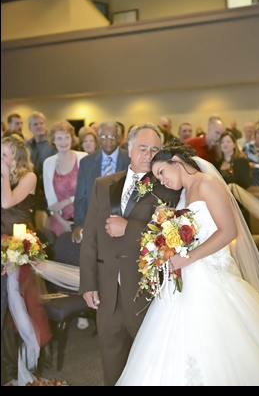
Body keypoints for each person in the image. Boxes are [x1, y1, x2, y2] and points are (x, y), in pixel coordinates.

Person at [116, 141, 259, 386]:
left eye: (162, 172)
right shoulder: (184, 193)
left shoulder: (207, 183)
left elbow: (228, 231)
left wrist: (188, 257)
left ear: (176, 161)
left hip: (211, 272)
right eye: (158, 178)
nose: (162, 181)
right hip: (187, 273)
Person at [79, 123, 182, 386]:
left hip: (145, 294)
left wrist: (130, 228)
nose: (148, 154)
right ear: (129, 148)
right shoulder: (103, 184)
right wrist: (88, 284)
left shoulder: (168, 187)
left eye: (154, 149)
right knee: (111, 366)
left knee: (149, 367)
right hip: (107, 292)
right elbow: (90, 237)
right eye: (142, 148)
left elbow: (171, 237)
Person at [1, 134, 53, 385]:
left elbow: (7, 202)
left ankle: (20, 367)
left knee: (18, 308)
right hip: (3, 244)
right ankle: (7, 368)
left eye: (4, 154)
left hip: (17, 249)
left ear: (16, 157)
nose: (0, 159)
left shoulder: (28, 177)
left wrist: (3, 174)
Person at [72, 121, 131, 244]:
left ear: (119, 138)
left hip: (122, 223)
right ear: (98, 138)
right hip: (94, 223)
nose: (108, 141)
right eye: (104, 137)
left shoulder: (129, 160)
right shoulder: (86, 162)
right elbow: (80, 197)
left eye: (113, 137)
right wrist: (79, 224)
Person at [42, 121, 89, 237]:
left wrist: (66, 201)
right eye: (59, 138)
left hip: (84, 218)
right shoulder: (48, 163)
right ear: (53, 140)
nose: (63, 142)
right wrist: (62, 222)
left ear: (72, 139)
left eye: (67, 137)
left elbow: (89, 191)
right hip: (58, 220)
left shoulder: (84, 158)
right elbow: (50, 199)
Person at [215, 130, 252, 228]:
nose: (225, 144)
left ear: (234, 144)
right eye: (222, 142)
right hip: (221, 203)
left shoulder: (241, 162)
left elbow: (245, 183)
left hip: (238, 203)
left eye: (228, 141)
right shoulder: (216, 164)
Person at [26, 112, 57, 229]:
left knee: (44, 226)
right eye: (35, 124)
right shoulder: (27, 145)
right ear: (30, 127)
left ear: (46, 125)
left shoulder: (53, 144)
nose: (39, 126)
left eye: (41, 123)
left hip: (47, 191)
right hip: (30, 191)